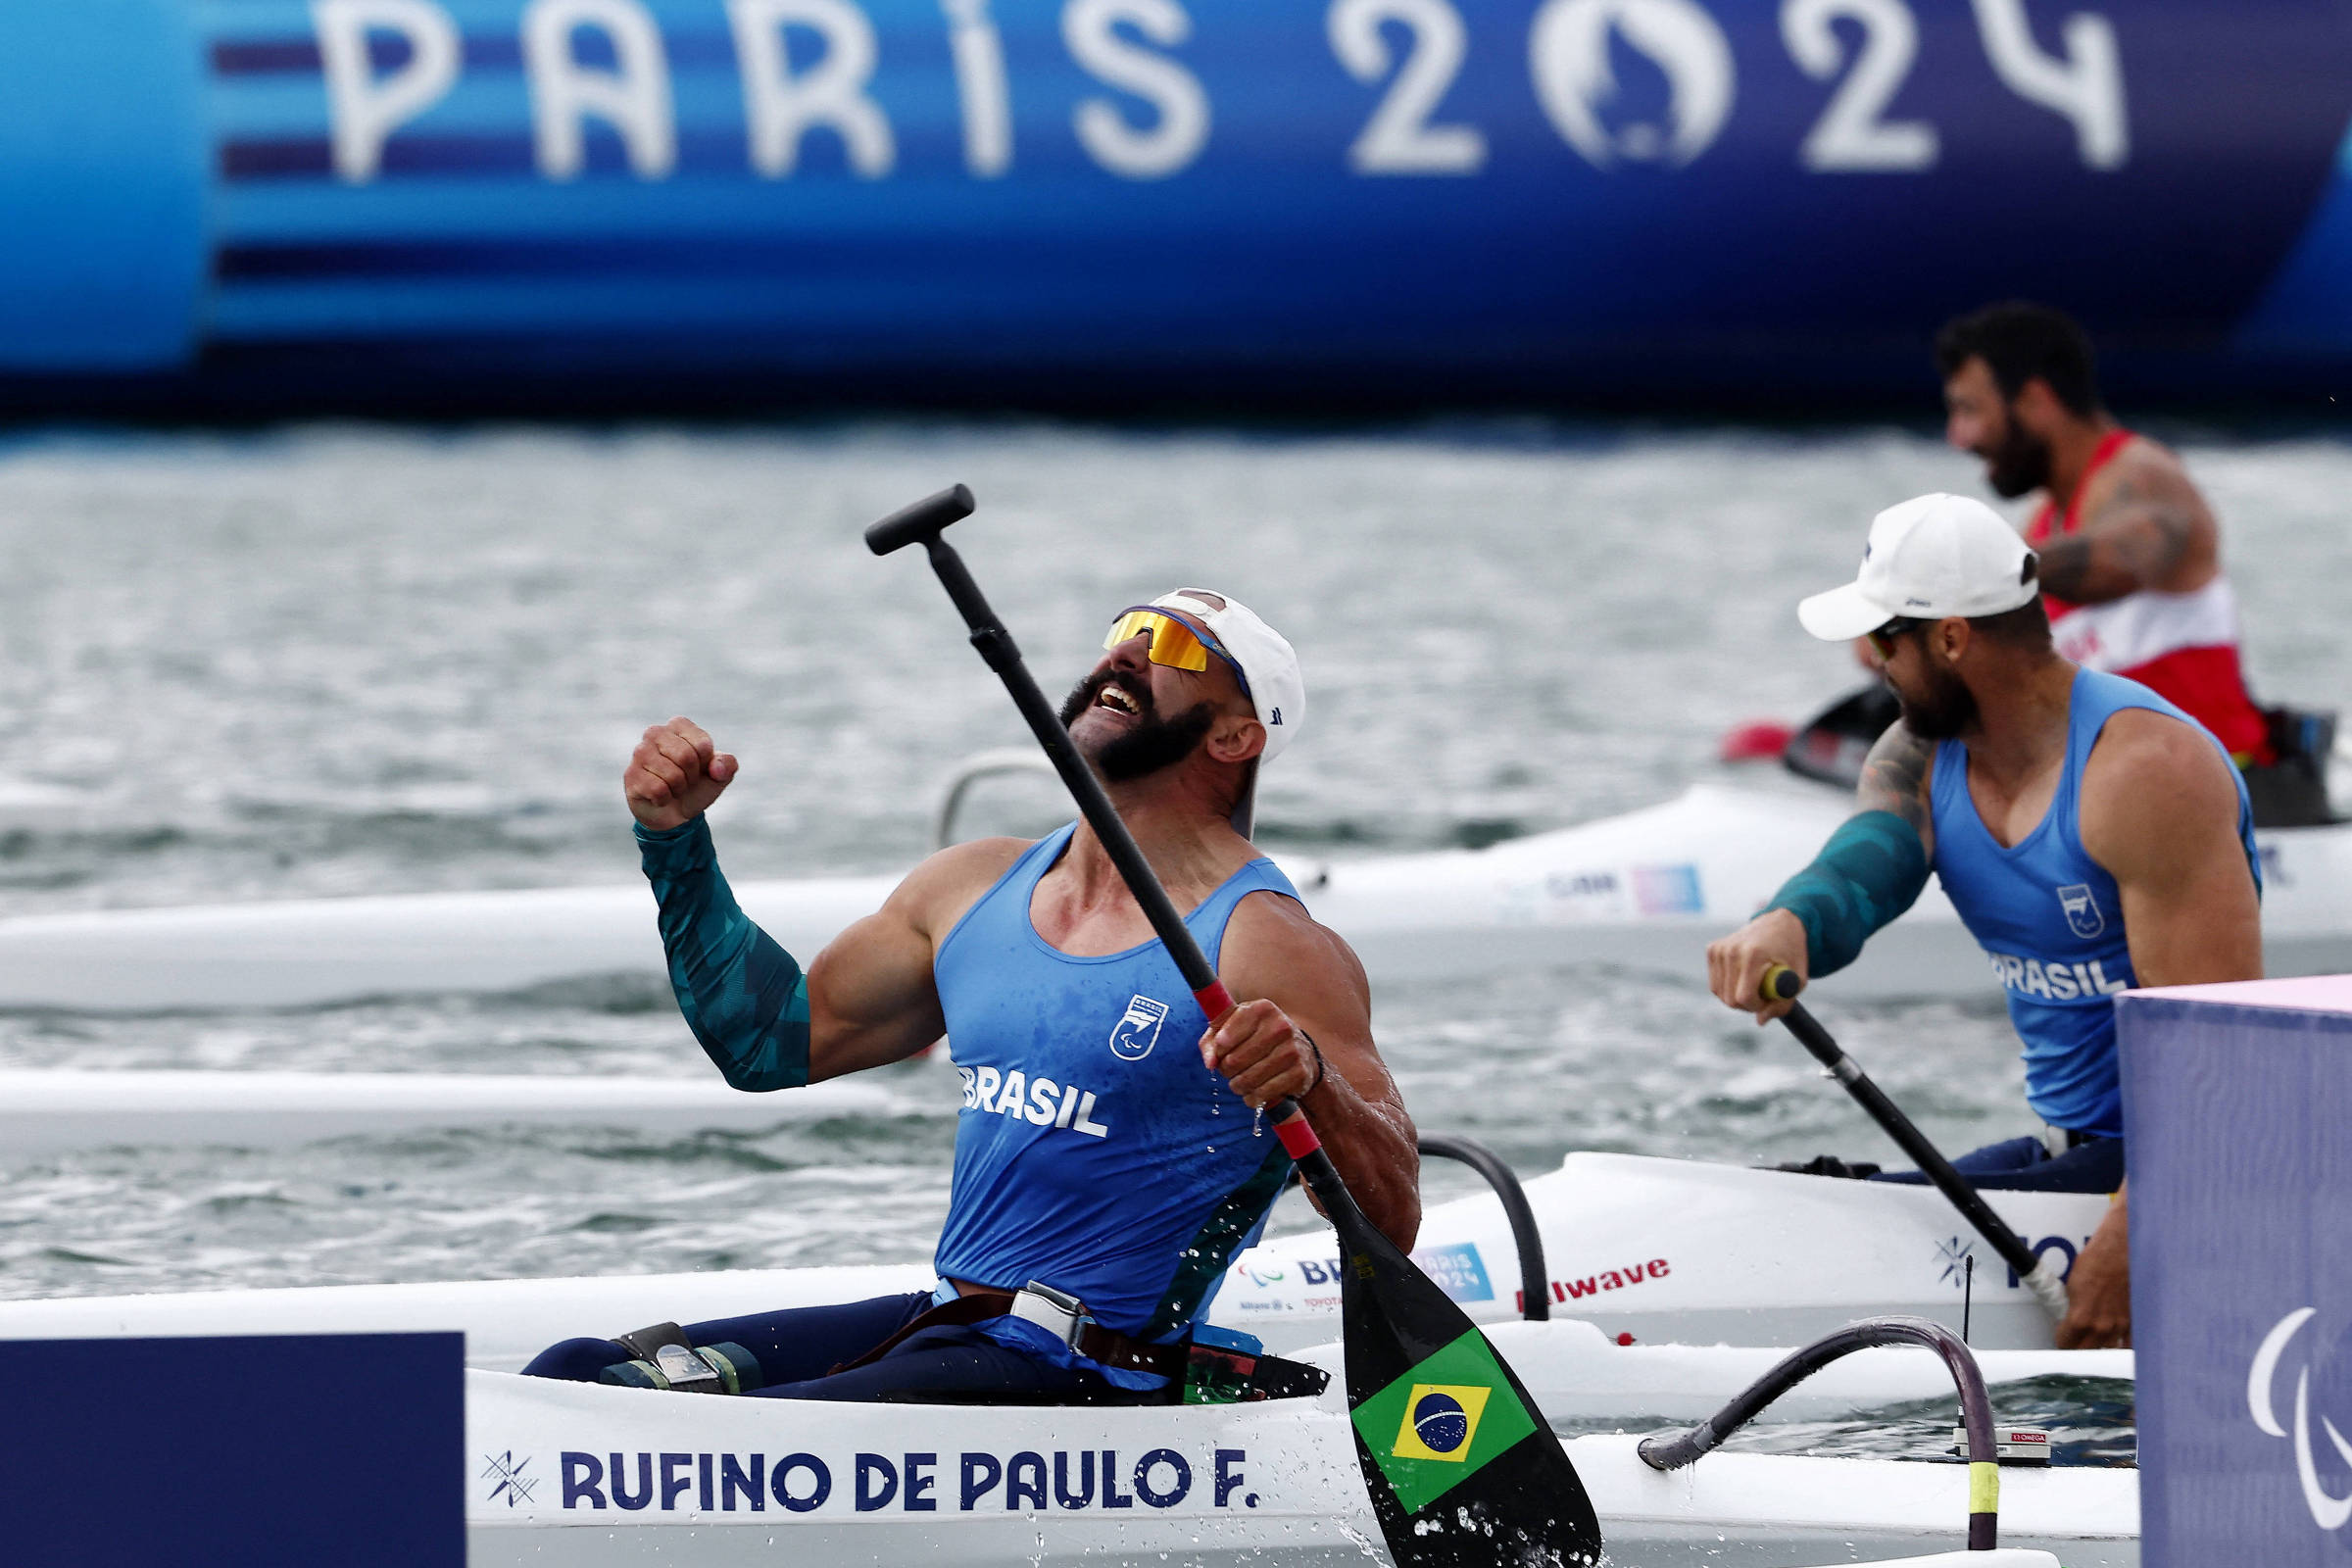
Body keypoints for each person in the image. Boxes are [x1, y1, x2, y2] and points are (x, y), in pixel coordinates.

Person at [523, 588, 1418, 1401]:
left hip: (1095, 1369)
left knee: (676, 1431)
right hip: (952, 1320)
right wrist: (676, 845)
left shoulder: (1269, 942)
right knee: (574, 1376)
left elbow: (1393, 1215)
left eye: (1174, 649)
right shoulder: (969, 888)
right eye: (1124, 631)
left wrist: (1308, 1076)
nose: (1129, 652)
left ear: (1234, 736)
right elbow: (766, 1042)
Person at [1706, 493, 2262, 1349]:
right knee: (1800, 1217)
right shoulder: (1919, 757)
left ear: (1952, 638)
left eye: (1887, 637)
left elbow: (2219, 1059)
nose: (1870, 660)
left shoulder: (2145, 772)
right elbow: (1871, 861)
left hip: (2202, 1164)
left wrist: (2127, 1238)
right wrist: (1791, 922)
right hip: (2076, 1157)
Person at [1936, 302, 2283, 773]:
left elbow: (2121, 563)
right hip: (2115, 787)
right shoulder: (2042, 519)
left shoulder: (2146, 477)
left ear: (2036, 400)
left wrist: (1954, 574)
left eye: (1969, 410)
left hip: (2215, 788)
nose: (1958, 436)